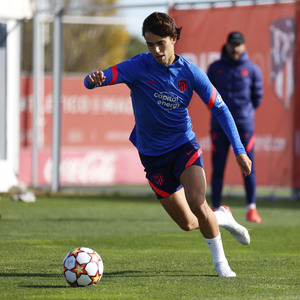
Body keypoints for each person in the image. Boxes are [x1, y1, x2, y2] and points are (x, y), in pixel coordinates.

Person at [84, 12, 252, 277]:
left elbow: (221, 109)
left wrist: (240, 151)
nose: (156, 50)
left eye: (161, 43)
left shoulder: (190, 72)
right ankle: (223, 217)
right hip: (152, 157)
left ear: (174, 39)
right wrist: (94, 81)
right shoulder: (137, 66)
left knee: (198, 202)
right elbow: (97, 78)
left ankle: (222, 266)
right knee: (188, 223)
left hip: (184, 146)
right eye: (150, 44)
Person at [207, 32, 263, 223]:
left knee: (248, 167)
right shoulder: (215, 68)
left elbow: (257, 97)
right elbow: (208, 96)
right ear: (227, 45)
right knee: (218, 168)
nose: (235, 48)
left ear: (244, 46)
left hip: (244, 127)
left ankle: (251, 209)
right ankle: (215, 209)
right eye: (233, 44)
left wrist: (243, 114)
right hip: (219, 127)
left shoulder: (252, 69)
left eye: (239, 44)